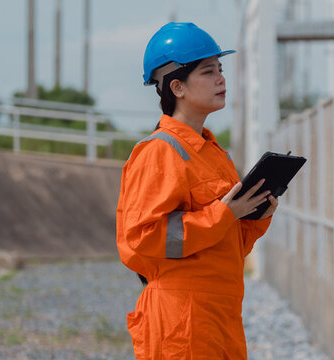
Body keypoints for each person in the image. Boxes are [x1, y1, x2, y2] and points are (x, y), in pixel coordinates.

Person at [116, 22, 278, 359]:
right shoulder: (160, 151)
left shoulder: (214, 154)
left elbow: (226, 244)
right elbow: (143, 237)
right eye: (208, 71)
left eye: (220, 69)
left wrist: (256, 216)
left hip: (220, 315)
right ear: (177, 86)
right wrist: (223, 214)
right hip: (182, 319)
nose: (221, 79)